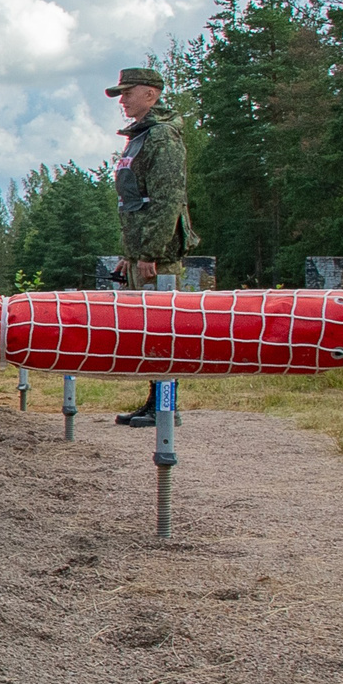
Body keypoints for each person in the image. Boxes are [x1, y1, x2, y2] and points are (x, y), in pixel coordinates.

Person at [109, 66, 197, 428]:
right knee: (146, 332)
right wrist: (130, 254)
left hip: (156, 259)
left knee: (161, 331)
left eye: (128, 93)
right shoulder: (139, 137)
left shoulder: (162, 137)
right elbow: (135, 203)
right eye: (121, 94)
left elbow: (166, 200)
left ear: (151, 94)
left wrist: (151, 255)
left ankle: (166, 406)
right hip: (143, 254)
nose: (123, 100)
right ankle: (155, 401)